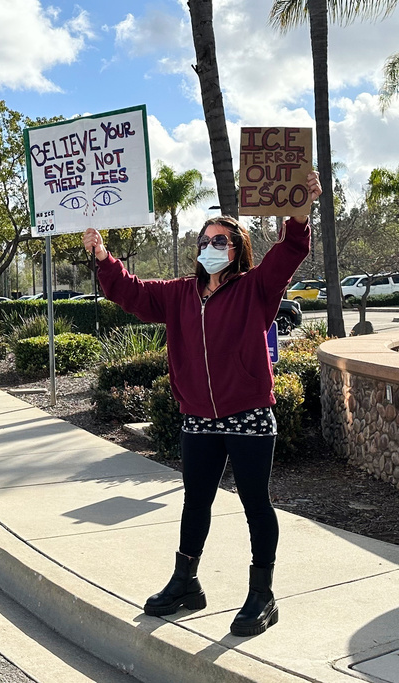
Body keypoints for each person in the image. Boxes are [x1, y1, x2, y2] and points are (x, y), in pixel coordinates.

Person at [82, 171, 322, 638]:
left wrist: (299, 211)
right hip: (198, 419)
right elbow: (128, 291)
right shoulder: (176, 294)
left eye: (221, 241)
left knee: (256, 503)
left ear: (237, 251)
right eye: (206, 239)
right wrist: (103, 257)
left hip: (249, 414)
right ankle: (186, 583)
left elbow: (291, 250)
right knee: (196, 501)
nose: (210, 246)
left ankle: (262, 594)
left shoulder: (256, 289)